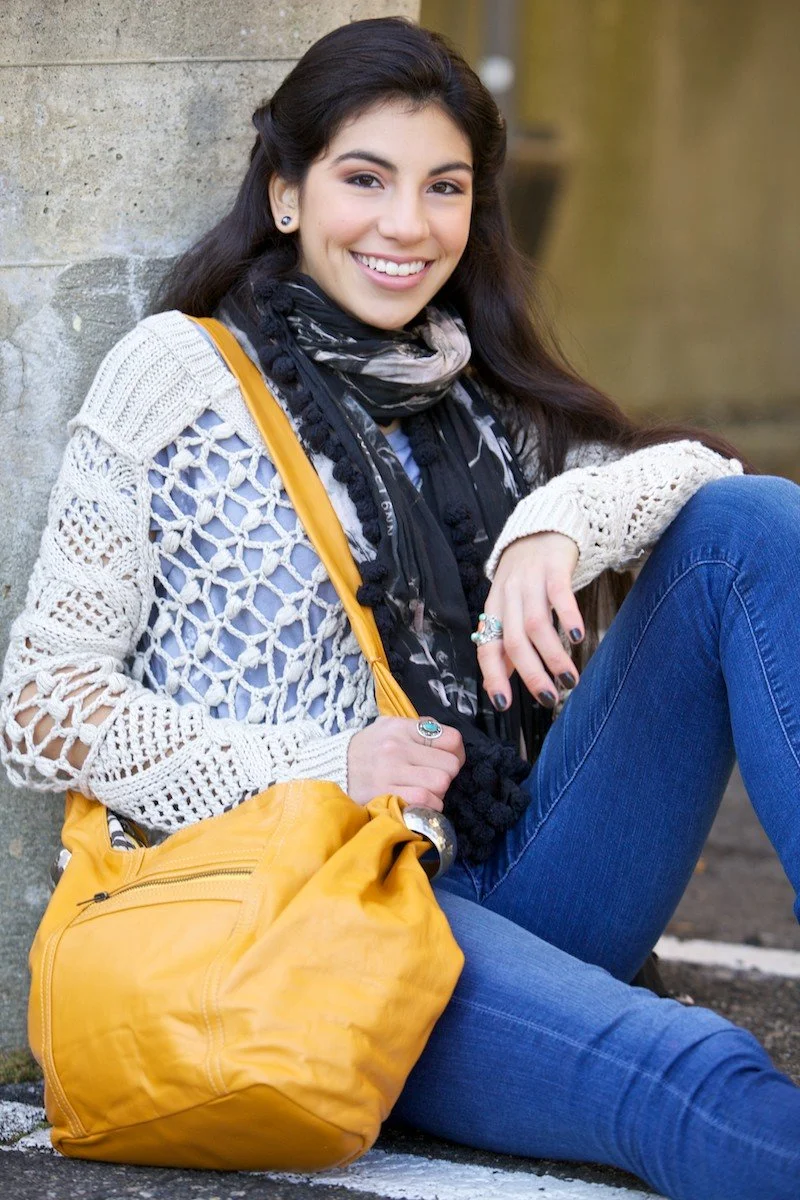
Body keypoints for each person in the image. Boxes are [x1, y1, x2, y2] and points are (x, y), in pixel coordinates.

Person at [2, 16, 799, 1199]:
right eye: (362, 179)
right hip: (321, 927)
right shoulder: (178, 373)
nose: (404, 225)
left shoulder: (473, 388)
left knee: (752, 526)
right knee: (689, 1074)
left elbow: (695, 475)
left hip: (520, 870)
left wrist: (557, 522)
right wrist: (330, 761)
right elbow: (38, 705)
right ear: (284, 192)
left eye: (443, 188)